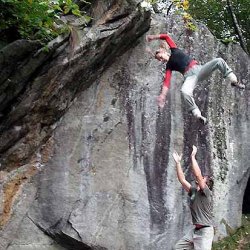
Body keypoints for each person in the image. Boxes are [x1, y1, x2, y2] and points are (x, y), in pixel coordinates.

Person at [146, 33, 245, 124]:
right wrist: (162, 95)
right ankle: (198, 115)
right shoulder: (169, 66)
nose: (161, 59)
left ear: (164, 51)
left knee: (219, 61)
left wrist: (153, 37)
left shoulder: (175, 50)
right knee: (184, 91)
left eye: (160, 56)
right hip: (190, 77)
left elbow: (166, 37)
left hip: (200, 70)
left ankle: (234, 81)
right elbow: (166, 82)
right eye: (159, 59)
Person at [172, 145, 214, 250]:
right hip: (195, 230)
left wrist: (192, 157)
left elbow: (198, 175)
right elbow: (182, 180)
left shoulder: (207, 193)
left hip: (205, 231)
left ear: (207, 184)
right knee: (177, 248)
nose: (201, 178)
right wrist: (177, 163)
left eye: (204, 179)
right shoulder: (194, 192)